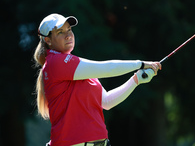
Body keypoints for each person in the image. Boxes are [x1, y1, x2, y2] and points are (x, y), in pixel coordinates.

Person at [34, 13, 161, 146]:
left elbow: (106, 101)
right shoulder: (55, 62)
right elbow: (108, 69)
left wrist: (136, 80)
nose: (68, 35)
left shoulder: (79, 67)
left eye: (69, 30)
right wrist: (140, 63)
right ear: (48, 40)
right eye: (60, 32)